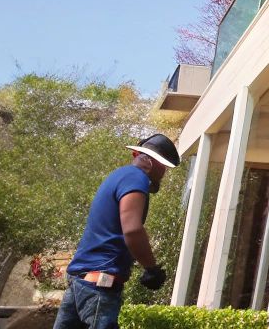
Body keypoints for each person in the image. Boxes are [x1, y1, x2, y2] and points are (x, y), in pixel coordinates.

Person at [56, 133, 180, 329]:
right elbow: (132, 230)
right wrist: (151, 268)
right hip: (99, 285)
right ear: (152, 162)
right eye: (164, 167)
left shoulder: (118, 175)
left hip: (80, 281)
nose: (163, 173)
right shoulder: (136, 178)